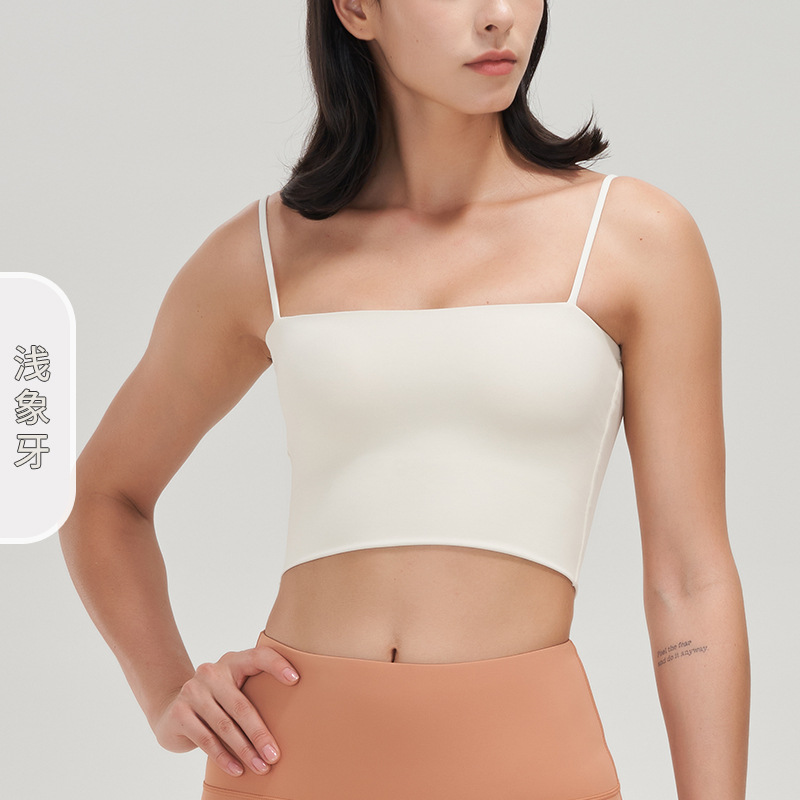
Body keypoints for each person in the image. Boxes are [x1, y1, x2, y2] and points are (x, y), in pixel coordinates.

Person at [59, 1, 750, 798]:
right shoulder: (267, 254)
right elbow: (103, 496)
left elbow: (690, 580)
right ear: (357, 8)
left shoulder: (633, 239)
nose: (499, 17)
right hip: (287, 765)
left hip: (524, 762)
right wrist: (167, 694)